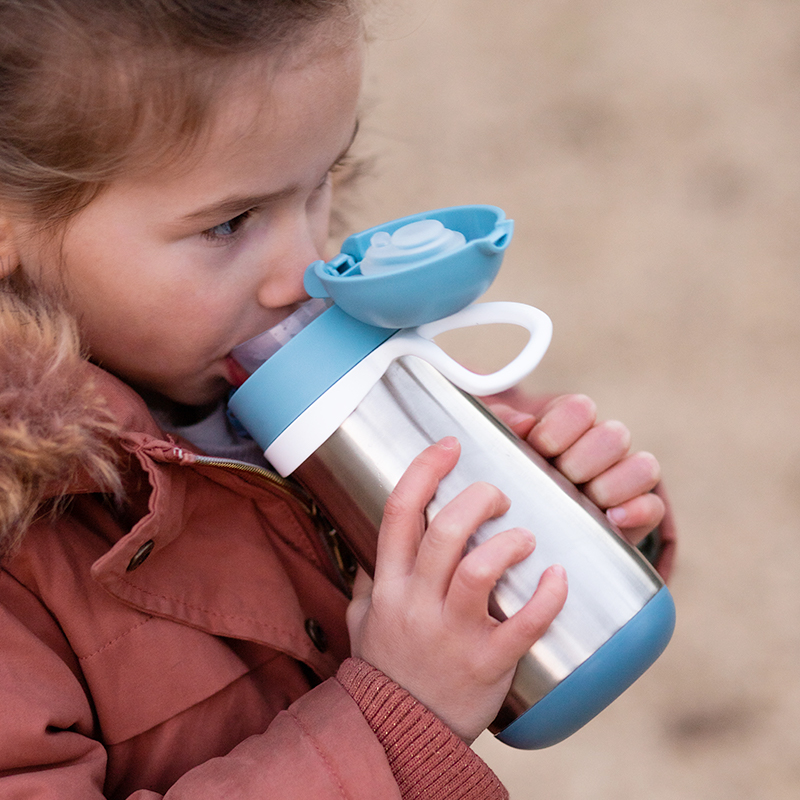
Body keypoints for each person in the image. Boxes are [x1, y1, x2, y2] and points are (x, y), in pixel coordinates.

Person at [0, 1, 673, 797]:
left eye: (322, 183)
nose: (306, 268)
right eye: (232, 223)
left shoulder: (288, 340)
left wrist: (558, 505)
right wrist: (394, 721)